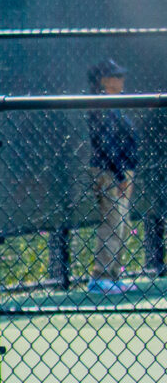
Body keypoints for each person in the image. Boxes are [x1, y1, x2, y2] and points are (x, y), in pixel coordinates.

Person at [86, 58, 140, 295]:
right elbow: (107, 144)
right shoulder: (102, 106)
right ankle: (100, 277)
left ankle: (113, 274)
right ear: (104, 81)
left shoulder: (113, 104)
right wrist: (119, 176)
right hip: (110, 172)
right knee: (113, 222)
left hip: (120, 171)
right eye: (116, 76)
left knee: (122, 224)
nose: (122, 80)